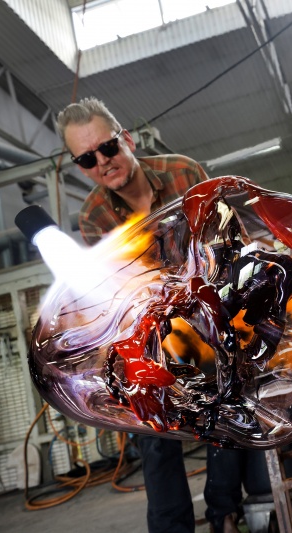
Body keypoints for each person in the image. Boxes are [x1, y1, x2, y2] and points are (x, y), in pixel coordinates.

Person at [57, 97, 209, 533]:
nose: (103, 162)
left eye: (107, 148)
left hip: (209, 315)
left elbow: (221, 242)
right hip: (153, 329)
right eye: (87, 159)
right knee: (151, 432)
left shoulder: (184, 173)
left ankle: (228, 512)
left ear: (126, 139)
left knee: (226, 418)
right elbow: (118, 290)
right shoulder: (94, 216)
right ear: (80, 166)